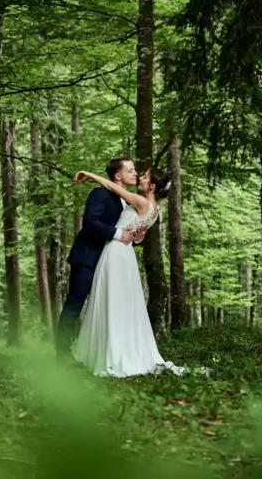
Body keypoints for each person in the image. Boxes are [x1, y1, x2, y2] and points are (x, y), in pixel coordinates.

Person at [70, 165, 184, 377]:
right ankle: (118, 349)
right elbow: (138, 234)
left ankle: (111, 353)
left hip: (115, 252)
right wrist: (137, 236)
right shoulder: (155, 210)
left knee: (110, 299)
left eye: (145, 176)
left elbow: (111, 186)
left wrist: (90, 174)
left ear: (152, 186)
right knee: (120, 301)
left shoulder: (142, 201)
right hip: (126, 253)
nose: (140, 177)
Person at [55, 156, 144, 361]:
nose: (135, 174)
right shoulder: (100, 193)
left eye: (134, 170)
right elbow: (90, 223)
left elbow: (128, 234)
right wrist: (117, 233)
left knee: (108, 306)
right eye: (130, 170)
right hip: (88, 257)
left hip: (111, 263)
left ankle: (103, 354)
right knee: (75, 303)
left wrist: (136, 239)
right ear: (117, 175)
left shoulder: (128, 202)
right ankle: (62, 353)